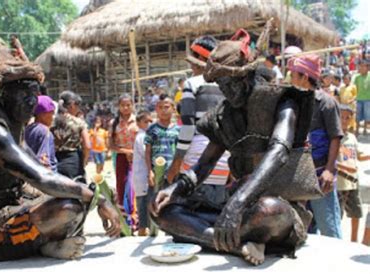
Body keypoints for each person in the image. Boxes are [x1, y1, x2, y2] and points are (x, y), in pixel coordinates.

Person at [150, 27, 320, 266]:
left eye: (230, 83)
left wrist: (238, 202)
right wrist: (175, 188)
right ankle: (238, 246)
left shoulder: (284, 102)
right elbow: (204, 164)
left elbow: (278, 153)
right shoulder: (224, 115)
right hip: (235, 210)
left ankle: (217, 238)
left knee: (269, 209)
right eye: (221, 84)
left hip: (274, 211)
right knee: (163, 210)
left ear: (246, 75)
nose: (226, 91)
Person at [0, 46, 120, 262]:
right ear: (1, 95)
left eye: (34, 95)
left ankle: (48, 244)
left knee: (76, 194)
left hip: (11, 210)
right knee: (70, 206)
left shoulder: (11, 128)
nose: (31, 102)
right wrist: (99, 199)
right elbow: (42, 178)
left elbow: (43, 171)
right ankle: (47, 244)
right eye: (24, 94)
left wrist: (90, 193)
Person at [166, 35, 230, 189]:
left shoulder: (192, 83)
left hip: (197, 161)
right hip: (225, 160)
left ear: (200, 58)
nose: (191, 67)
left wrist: (176, 162)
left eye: (192, 61)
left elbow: (188, 127)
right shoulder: (228, 85)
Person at [308, 69, 344, 239]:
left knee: (329, 227)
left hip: (320, 174)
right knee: (305, 229)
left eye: (293, 75)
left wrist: (329, 169)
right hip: (300, 176)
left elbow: (335, 137)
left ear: (304, 77)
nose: (290, 79)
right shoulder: (295, 101)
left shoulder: (327, 103)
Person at [336, 105, 370, 242]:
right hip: (338, 184)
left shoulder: (351, 137)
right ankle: (337, 241)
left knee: (356, 214)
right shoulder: (334, 137)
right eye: (341, 117)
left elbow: (359, 156)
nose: (344, 120)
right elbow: (330, 160)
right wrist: (345, 168)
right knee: (338, 215)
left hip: (353, 183)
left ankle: (353, 241)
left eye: (347, 118)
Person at [52, 91, 91, 179]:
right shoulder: (78, 122)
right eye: (78, 105)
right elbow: (87, 146)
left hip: (54, 161)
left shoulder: (51, 121)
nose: (79, 108)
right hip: (74, 161)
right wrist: (84, 161)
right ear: (72, 105)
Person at [145, 95, 180, 190]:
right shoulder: (151, 129)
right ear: (156, 109)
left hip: (174, 173)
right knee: (156, 201)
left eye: (166, 107)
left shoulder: (178, 130)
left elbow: (181, 153)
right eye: (160, 107)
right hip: (157, 174)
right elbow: (148, 152)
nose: (163, 110)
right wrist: (149, 172)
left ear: (173, 109)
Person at [109, 94, 137, 212]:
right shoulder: (113, 123)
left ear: (132, 105)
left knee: (133, 185)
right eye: (122, 105)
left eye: (128, 105)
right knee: (121, 185)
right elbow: (110, 145)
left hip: (137, 157)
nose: (125, 108)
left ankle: (135, 216)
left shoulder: (138, 121)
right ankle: (122, 216)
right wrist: (126, 152)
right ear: (118, 107)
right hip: (120, 157)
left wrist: (134, 152)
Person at [132, 110, 152, 236]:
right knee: (143, 205)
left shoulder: (146, 135)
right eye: (146, 122)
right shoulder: (142, 137)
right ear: (138, 123)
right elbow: (147, 154)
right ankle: (142, 231)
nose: (149, 124)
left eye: (150, 121)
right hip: (143, 176)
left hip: (144, 176)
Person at [25, 95, 57, 172]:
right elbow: (43, 160)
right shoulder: (44, 131)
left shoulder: (28, 129)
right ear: (42, 115)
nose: (53, 117)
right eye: (51, 113)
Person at [354, 59, 370, 136]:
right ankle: (356, 129)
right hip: (359, 99)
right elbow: (355, 88)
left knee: (367, 115)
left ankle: (365, 129)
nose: (362, 68)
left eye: (364, 66)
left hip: (368, 99)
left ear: (367, 68)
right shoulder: (357, 77)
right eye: (361, 66)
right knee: (358, 115)